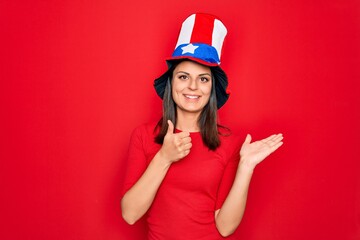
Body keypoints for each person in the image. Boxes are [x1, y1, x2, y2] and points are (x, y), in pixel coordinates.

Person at [121, 13, 283, 239]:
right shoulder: (144, 135)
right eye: (184, 76)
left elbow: (225, 227)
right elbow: (130, 213)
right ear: (171, 82)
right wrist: (164, 157)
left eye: (203, 79)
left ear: (211, 89)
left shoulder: (230, 143)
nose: (193, 87)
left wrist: (246, 167)